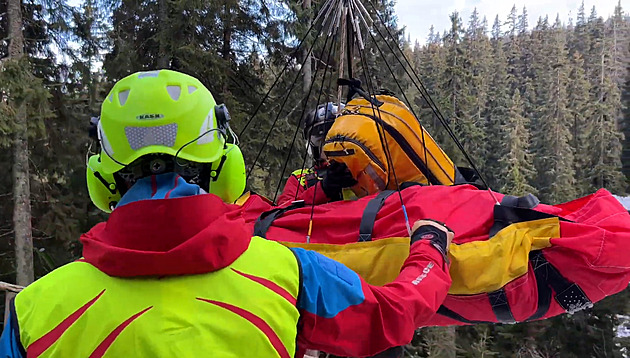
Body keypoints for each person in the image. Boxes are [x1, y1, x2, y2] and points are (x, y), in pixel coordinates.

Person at [0, 70, 453, 358]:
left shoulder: (34, 313)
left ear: (101, 173)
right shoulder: (288, 275)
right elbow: (391, 316)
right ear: (221, 163)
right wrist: (430, 252)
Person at [277, 102, 357, 207]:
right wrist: (323, 189)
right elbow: (281, 212)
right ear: (313, 145)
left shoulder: (367, 170)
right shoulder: (301, 179)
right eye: (324, 141)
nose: (332, 147)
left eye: (340, 140)